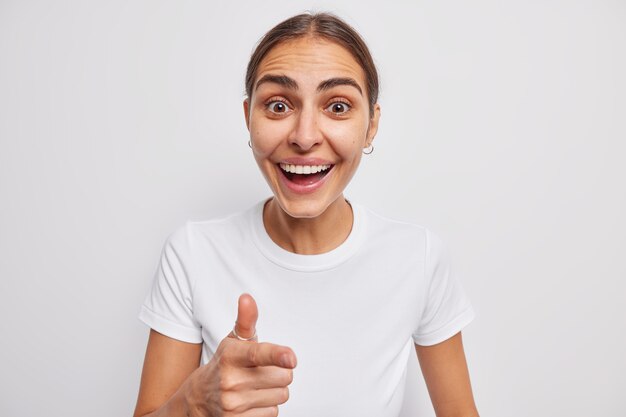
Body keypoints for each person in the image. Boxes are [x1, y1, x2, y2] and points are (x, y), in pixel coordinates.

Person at [133, 12, 479, 417]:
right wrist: (191, 405)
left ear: (371, 126)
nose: (304, 136)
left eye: (337, 106)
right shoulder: (192, 252)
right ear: (248, 117)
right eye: (278, 106)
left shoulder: (417, 256)